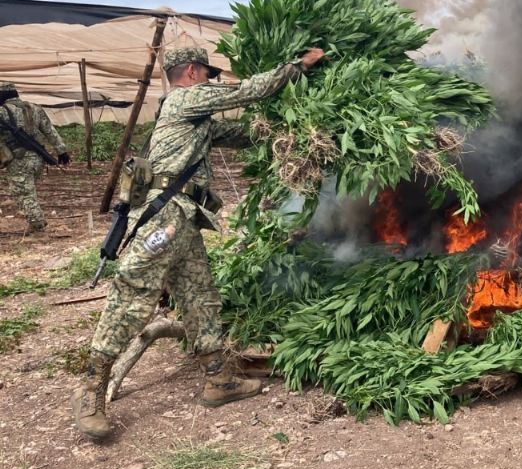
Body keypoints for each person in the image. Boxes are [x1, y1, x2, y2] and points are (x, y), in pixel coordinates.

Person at [72, 46, 327, 440]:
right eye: (208, 74)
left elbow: (243, 134)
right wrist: (297, 67)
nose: (211, 81)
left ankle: (217, 380)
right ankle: (90, 391)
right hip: (165, 215)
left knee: (199, 296)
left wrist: (300, 126)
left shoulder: (194, 120)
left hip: (185, 218)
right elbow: (249, 91)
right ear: (191, 71)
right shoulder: (184, 98)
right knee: (132, 295)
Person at [0, 81, 70, 232]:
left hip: (19, 160)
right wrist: (61, 151)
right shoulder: (34, 108)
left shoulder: (2, 112)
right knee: (28, 192)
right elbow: (50, 131)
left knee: (24, 194)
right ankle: (34, 223)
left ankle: (38, 226)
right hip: (38, 158)